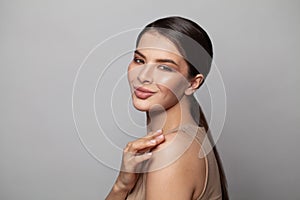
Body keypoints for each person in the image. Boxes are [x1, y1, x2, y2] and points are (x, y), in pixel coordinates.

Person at [106, 16, 229, 200]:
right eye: (139, 61)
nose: (144, 76)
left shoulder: (171, 150)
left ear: (193, 83)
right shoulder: (181, 141)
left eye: (164, 67)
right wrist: (121, 185)